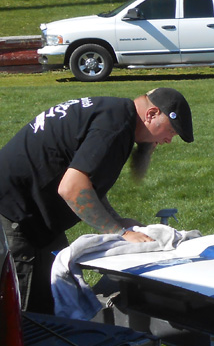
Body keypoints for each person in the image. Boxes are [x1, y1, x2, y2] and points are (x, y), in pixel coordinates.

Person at [0, 88, 194, 313]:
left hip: (32, 216)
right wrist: (119, 232)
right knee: (21, 319)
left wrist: (117, 221)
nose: (168, 140)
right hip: (14, 215)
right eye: (170, 130)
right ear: (151, 114)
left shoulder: (114, 115)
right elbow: (72, 188)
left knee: (59, 292)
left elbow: (89, 186)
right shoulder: (115, 127)